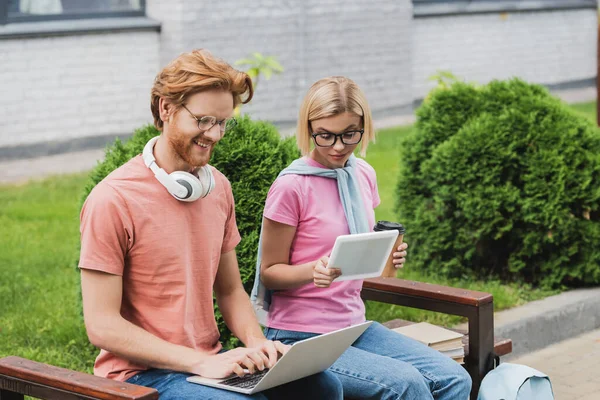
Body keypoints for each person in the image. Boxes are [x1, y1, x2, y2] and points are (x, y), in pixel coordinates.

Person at [78, 49, 343, 400]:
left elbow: (231, 291)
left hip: (207, 363)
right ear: (165, 109)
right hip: (141, 377)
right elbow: (102, 326)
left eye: (222, 122)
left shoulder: (217, 188)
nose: (215, 134)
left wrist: (259, 345)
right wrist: (197, 363)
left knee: (322, 388)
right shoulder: (112, 199)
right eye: (203, 120)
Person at [252, 76, 473, 399]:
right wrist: (312, 270)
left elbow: (367, 266)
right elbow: (269, 273)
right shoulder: (292, 186)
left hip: (354, 325)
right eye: (325, 135)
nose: (339, 146)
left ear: (364, 127)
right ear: (308, 128)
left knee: (454, 378)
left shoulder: (363, 175)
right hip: (300, 335)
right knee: (405, 384)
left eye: (349, 134)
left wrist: (388, 258)